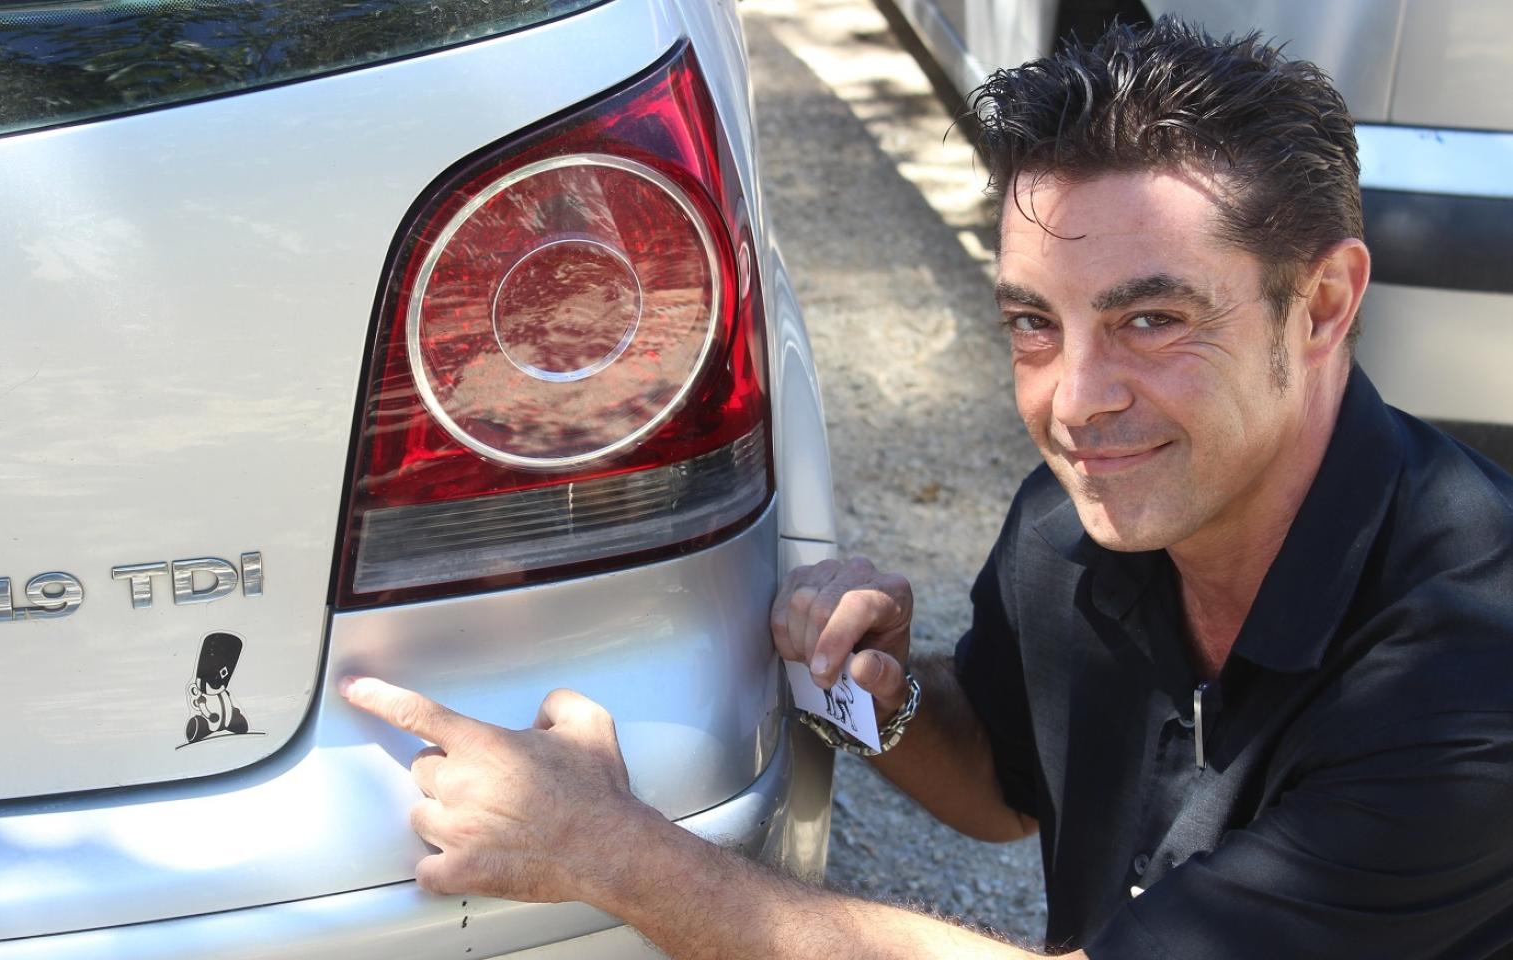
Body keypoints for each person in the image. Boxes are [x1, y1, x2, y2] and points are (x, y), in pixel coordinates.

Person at [340, 16, 1513, 959]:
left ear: (1319, 305)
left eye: (1150, 321)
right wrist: (880, 695)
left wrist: (604, 850)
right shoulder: (1077, 530)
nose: (1073, 401)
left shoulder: (1469, 673)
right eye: (1031, 324)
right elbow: (1003, 785)